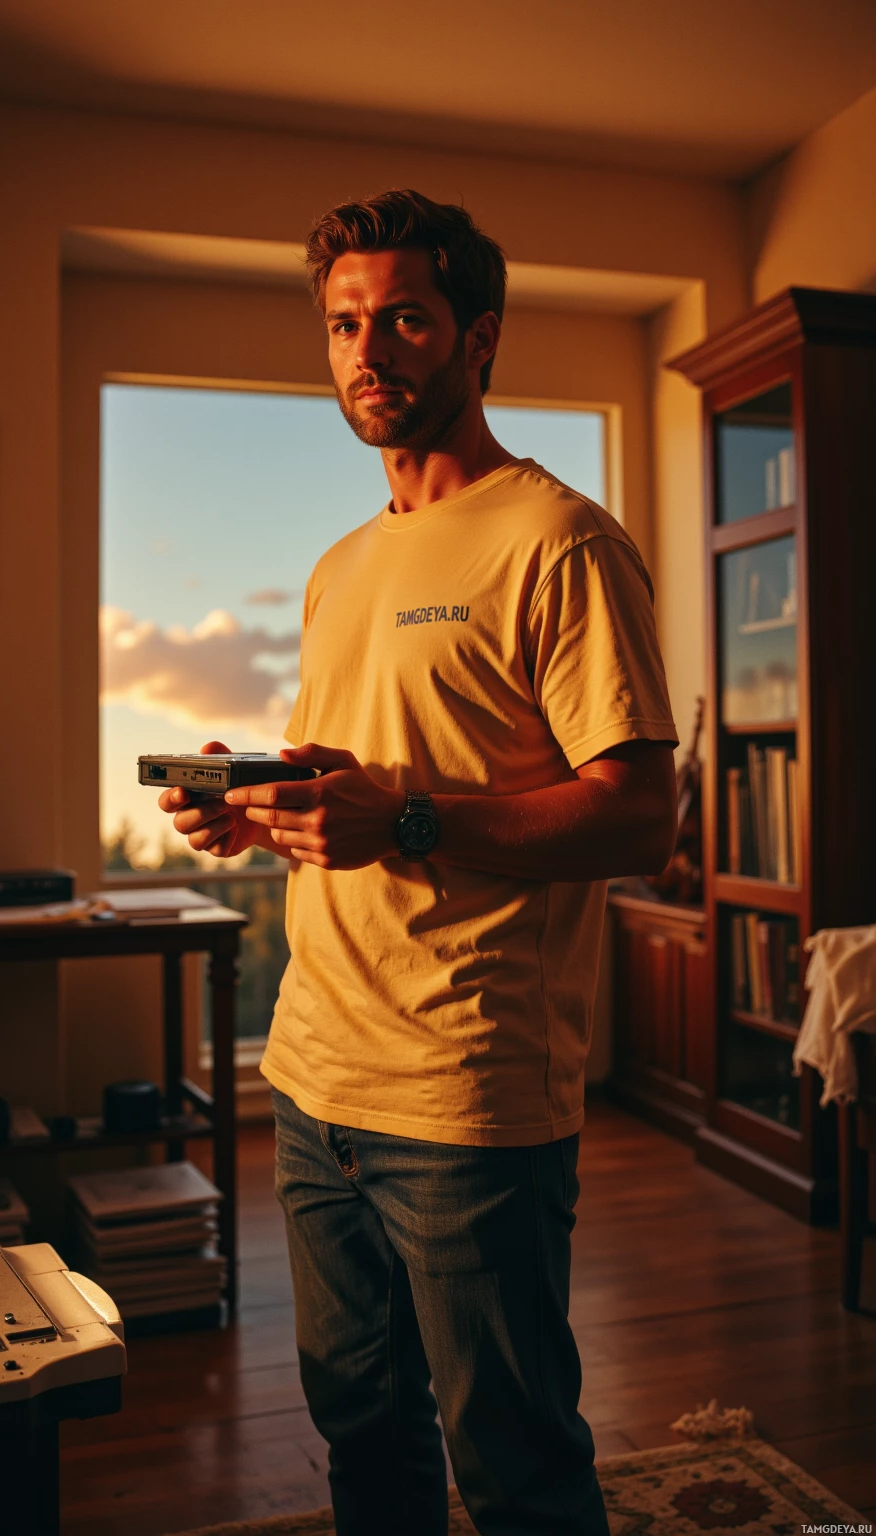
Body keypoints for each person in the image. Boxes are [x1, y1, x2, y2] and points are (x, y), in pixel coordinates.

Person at [160, 189, 678, 1536]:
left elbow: (640, 816)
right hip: (314, 1076)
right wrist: (261, 811)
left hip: (464, 1094)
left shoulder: (558, 541)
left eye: (402, 319)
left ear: (476, 336)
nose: (366, 352)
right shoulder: (342, 569)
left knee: (512, 1465)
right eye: (342, 325)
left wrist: (408, 820)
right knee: (362, 1439)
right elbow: (361, 790)